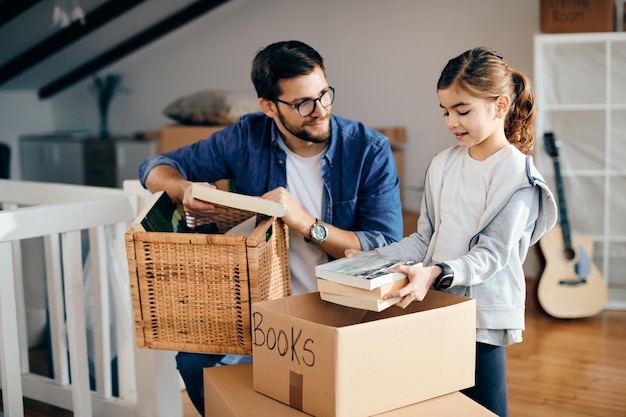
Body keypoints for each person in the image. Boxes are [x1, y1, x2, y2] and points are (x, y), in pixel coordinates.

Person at [138, 40, 403, 416]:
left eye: (324, 95)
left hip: (342, 308)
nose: (320, 111)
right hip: (260, 307)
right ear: (268, 107)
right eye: (302, 104)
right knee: (194, 362)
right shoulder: (247, 137)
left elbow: (384, 247)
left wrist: (307, 223)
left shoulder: (368, 149)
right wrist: (184, 188)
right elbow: (153, 167)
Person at [371, 47, 557, 417]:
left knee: (485, 411)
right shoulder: (442, 165)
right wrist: (371, 260)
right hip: (435, 305)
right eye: (445, 111)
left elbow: (492, 254)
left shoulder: (517, 177)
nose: (450, 121)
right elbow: (425, 238)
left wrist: (437, 272)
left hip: (482, 318)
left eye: (462, 110)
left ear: (500, 105)